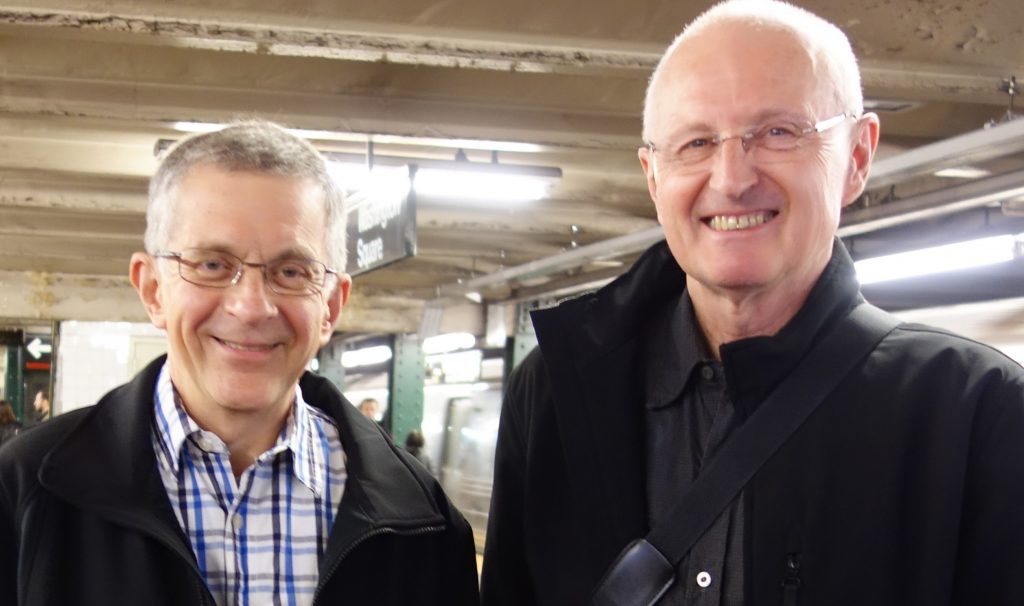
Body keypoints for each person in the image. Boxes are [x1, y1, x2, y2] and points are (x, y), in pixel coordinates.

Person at [480, 2, 1024, 605]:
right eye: (696, 142)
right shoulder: (555, 396)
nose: (732, 177)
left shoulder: (978, 413)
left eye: (778, 132)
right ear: (653, 175)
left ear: (858, 157)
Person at [0, 121, 479, 605]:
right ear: (153, 290)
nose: (251, 307)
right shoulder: (25, 493)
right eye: (212, 265)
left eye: (292, 272)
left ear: (331, 306)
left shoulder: (424, 522)